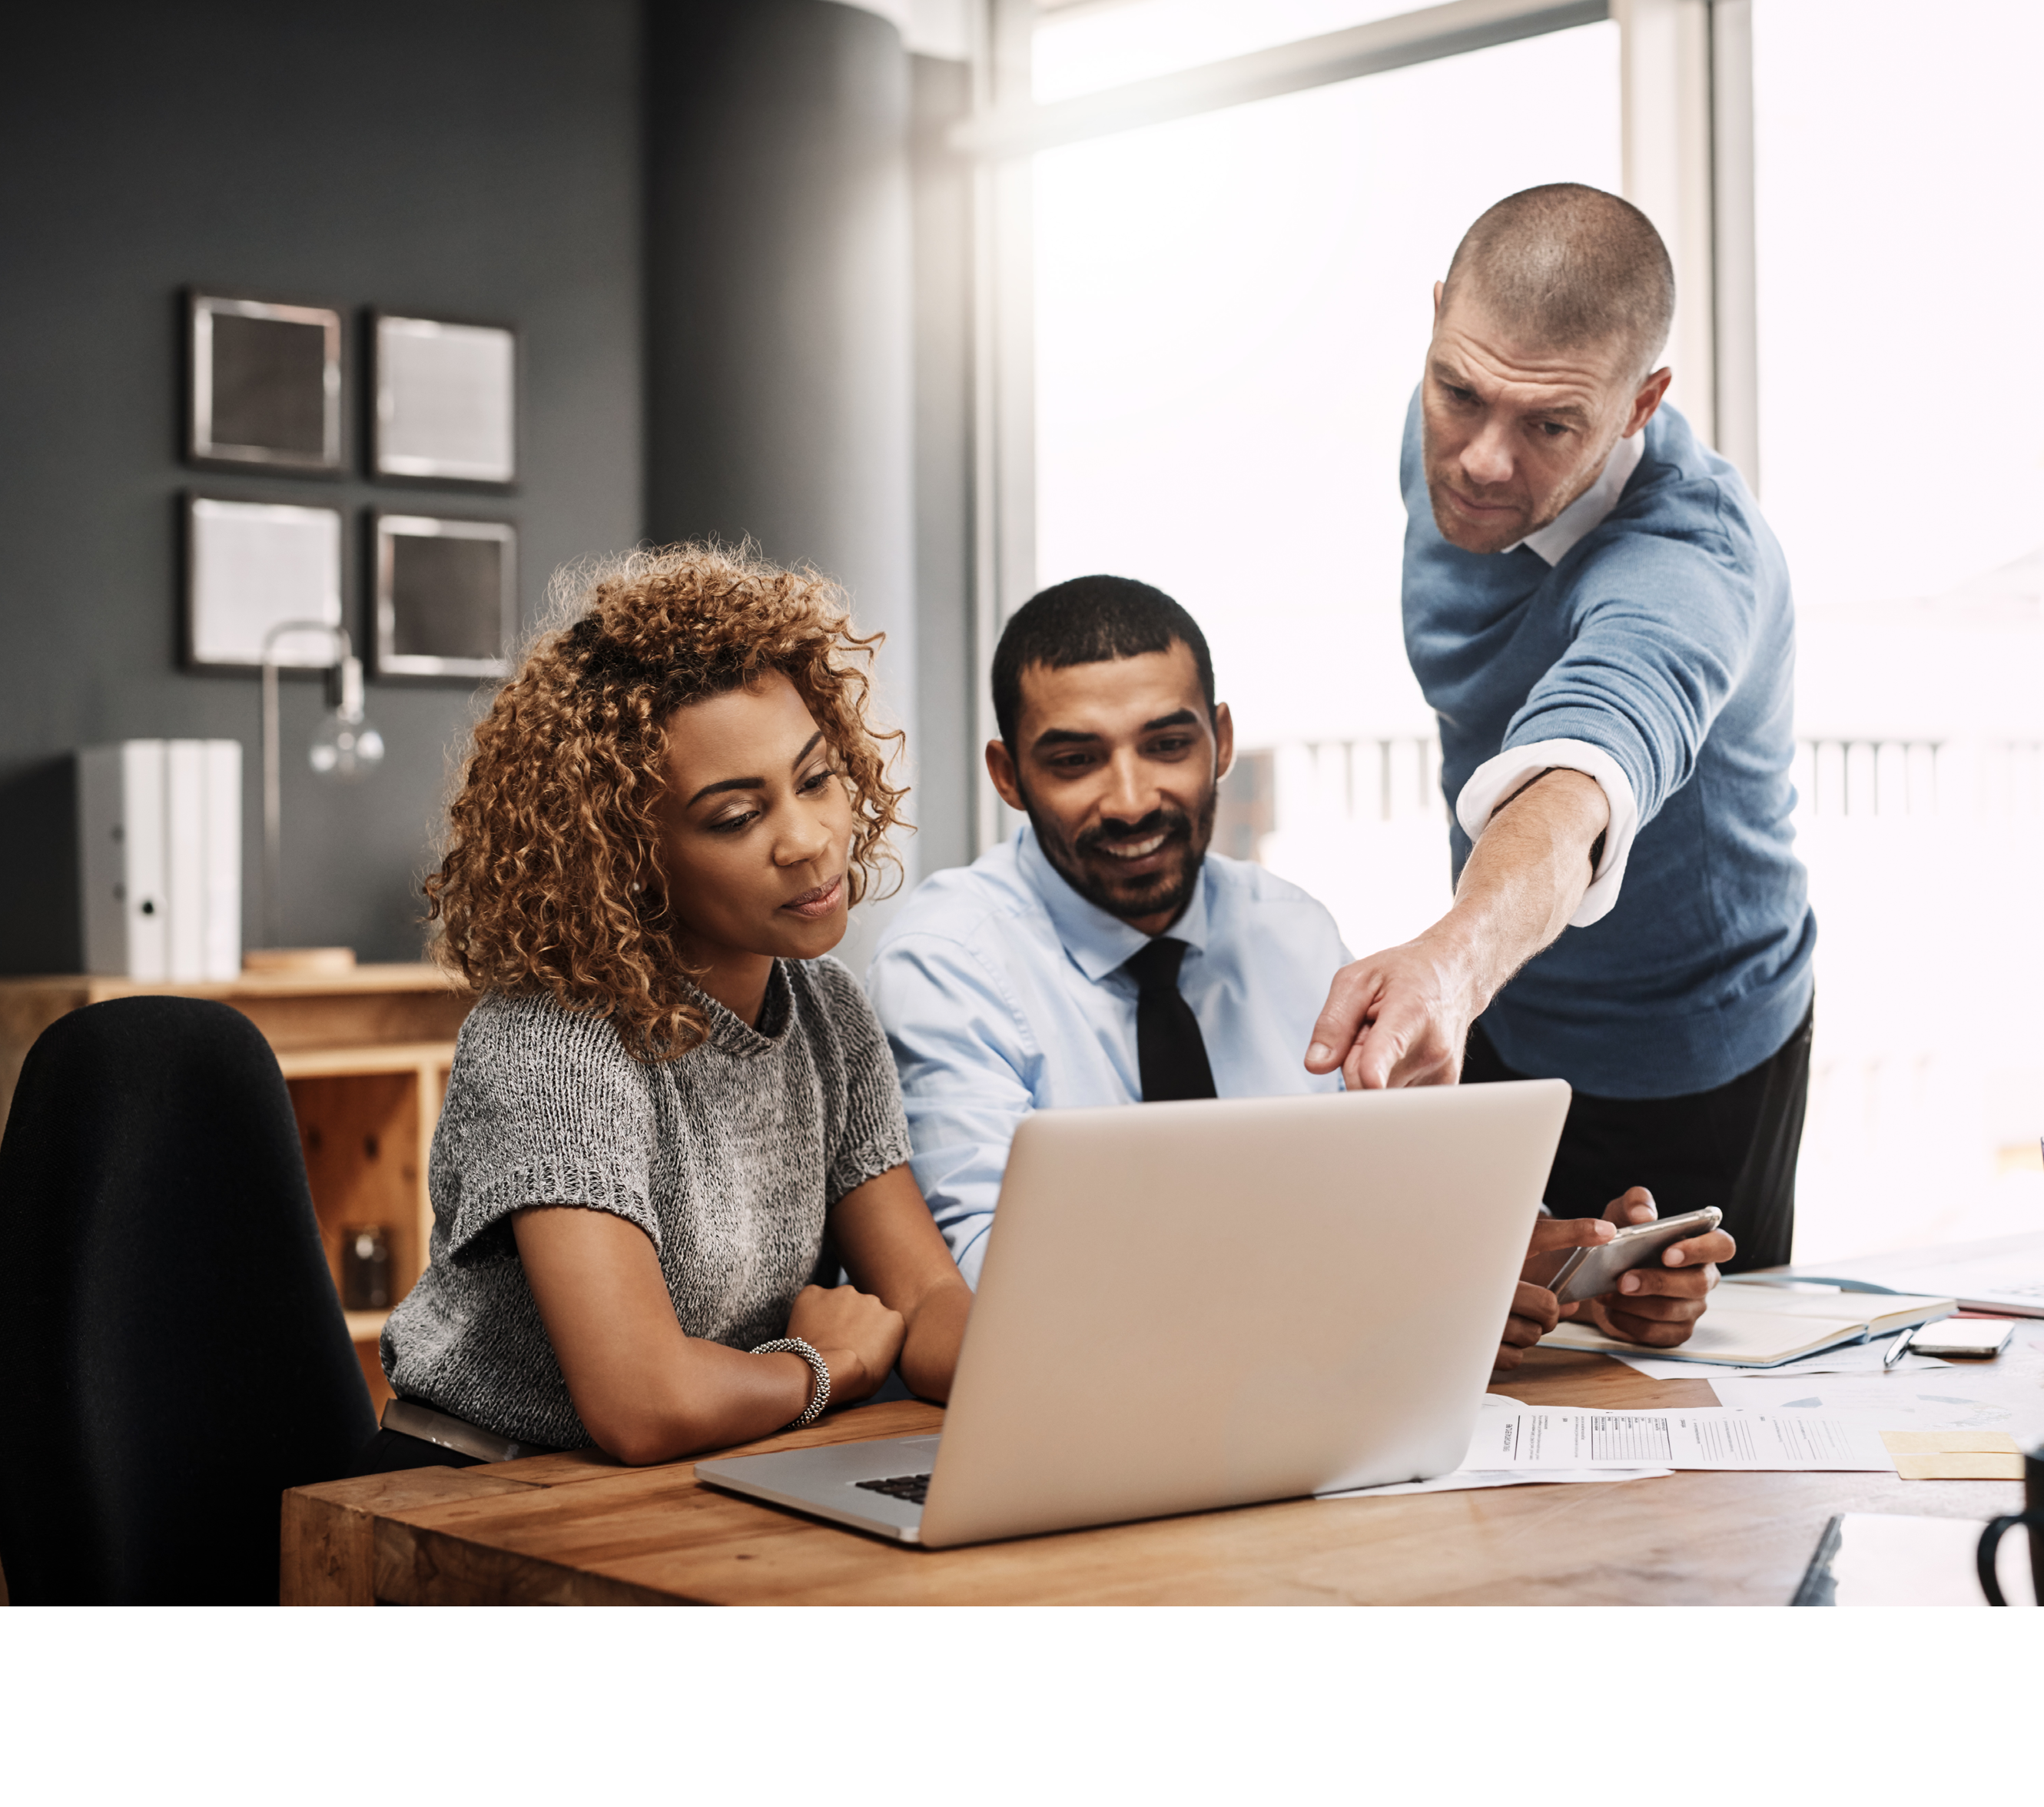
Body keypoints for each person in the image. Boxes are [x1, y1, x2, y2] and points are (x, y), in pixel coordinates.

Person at [867, 575, 1733, 1373]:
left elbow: (1388, 1200)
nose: (1129, 799)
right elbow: (983, 1278)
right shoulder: (946, 958)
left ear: (1222, 742)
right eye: (1073, 760)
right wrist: (1388, 1298)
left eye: (1167, 744)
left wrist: (1570, 1275)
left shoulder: (1285, 926)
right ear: (1007, 776)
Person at [1305, 184, 1817, 1272]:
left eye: (1550, 425)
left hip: (1694, 1047)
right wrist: (1467, 975)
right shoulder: (1458, 419)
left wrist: (1451, 960)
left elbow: (1579, 774)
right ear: (1442, 321)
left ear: (1640, 403)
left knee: (1679, 1389)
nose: (1485, 460)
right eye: (1460, 390)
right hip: (1504, 997)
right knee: (1480, 1355)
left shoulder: (1689, 566)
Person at [374, 543, 972, 1470]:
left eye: (815, 779)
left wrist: (1075, 1362)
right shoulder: (556, 1040)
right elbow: (643, 1404)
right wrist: (828, 1364)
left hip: (704, 1465)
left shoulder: (827, 1012)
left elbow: (926, 1302)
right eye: (736, 817)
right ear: (625, 854)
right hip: (487, 1486)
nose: (809, 841)